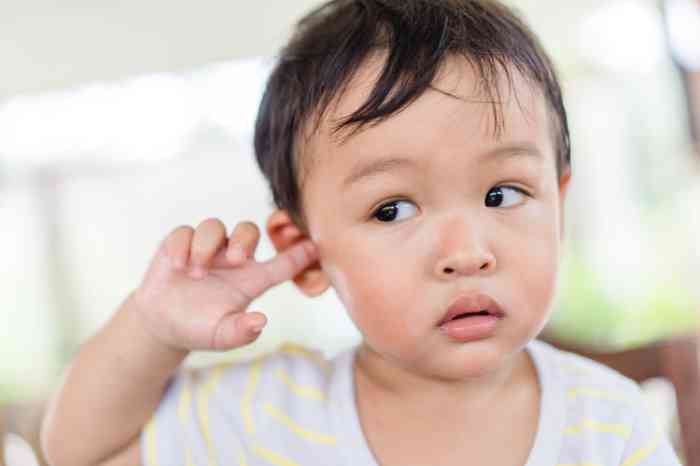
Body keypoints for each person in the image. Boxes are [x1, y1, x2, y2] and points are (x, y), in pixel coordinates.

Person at [40, 0, 683, 465]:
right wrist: (153, 330)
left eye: (502, 194)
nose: (466, 253)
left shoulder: (609, 425)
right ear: (306, 254)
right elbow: (80, 451)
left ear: (559, 205)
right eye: (392, 209)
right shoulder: (272, 414)